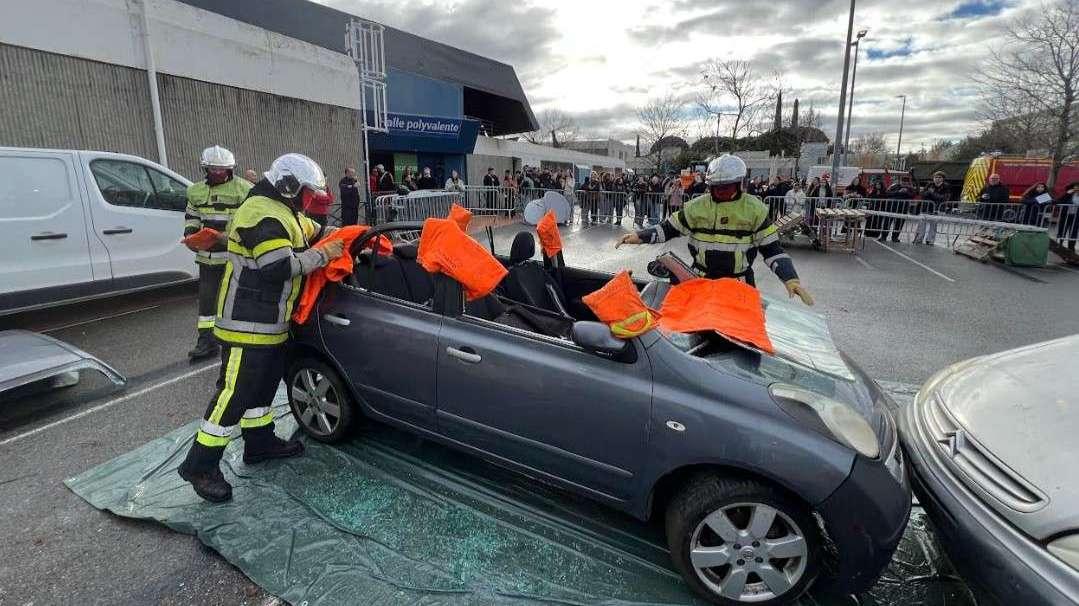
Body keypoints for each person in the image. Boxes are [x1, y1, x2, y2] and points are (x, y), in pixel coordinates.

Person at [178, 153, 346, 502]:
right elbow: (278, 267)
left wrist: (354, 236)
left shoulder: (286, 212)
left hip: (269, 322)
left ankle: (259, 442)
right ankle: (200, 463)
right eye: (306, 193)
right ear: (288, 186)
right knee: (234, 394)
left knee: (263, 388)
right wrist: (326, 254)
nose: (308, 201)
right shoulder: (261, 215)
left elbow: (318, 231)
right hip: (246, 323)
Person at [616, 155, 813, 305]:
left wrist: (790, 279)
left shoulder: (755, 209)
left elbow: (773, 250)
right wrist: (638, 236)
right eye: (715, 186)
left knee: (738, 338)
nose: (719, 191)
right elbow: (668, 228)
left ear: (739, 184)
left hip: (738, 285)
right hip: (700, 281)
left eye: (725, 187)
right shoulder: (697, 206)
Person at [182, 145, 253, 361]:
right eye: (213, 170)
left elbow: (248, 221)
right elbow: (192, 216)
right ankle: (207, 343)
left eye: (222, 170)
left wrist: (224, 237)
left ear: (230, 169)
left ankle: (238, 342)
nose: (218, 173)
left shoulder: (244, 189)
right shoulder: (196, 191)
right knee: (207, 304)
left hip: (233, 258)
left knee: (235, 300)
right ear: (206, 169)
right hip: (207, 259)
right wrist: (191, 235)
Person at [915, 171, 950, 245]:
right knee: (921, 225)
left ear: (943, 179)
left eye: (939, 177)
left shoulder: (946, 187)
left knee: (933, 226)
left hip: (937, 209)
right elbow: (923, 194)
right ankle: (918, 239)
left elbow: (943, 198)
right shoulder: (929, 184)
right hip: (925, 208)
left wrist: (932, 193)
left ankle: (930, 240)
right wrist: (930, 193)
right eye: (936, 177)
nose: (937, 179)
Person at [1055, 182, 1079, 251]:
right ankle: (1060, 246)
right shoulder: (1069, 194)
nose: (1077, 188)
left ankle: (1071, 248)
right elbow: (1058, 201)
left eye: (1078, 187)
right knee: (1062, 231)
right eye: (1075, 186)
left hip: (1076, 217)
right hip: (1066, 216)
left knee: (1073, 232)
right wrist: (1067, 194)